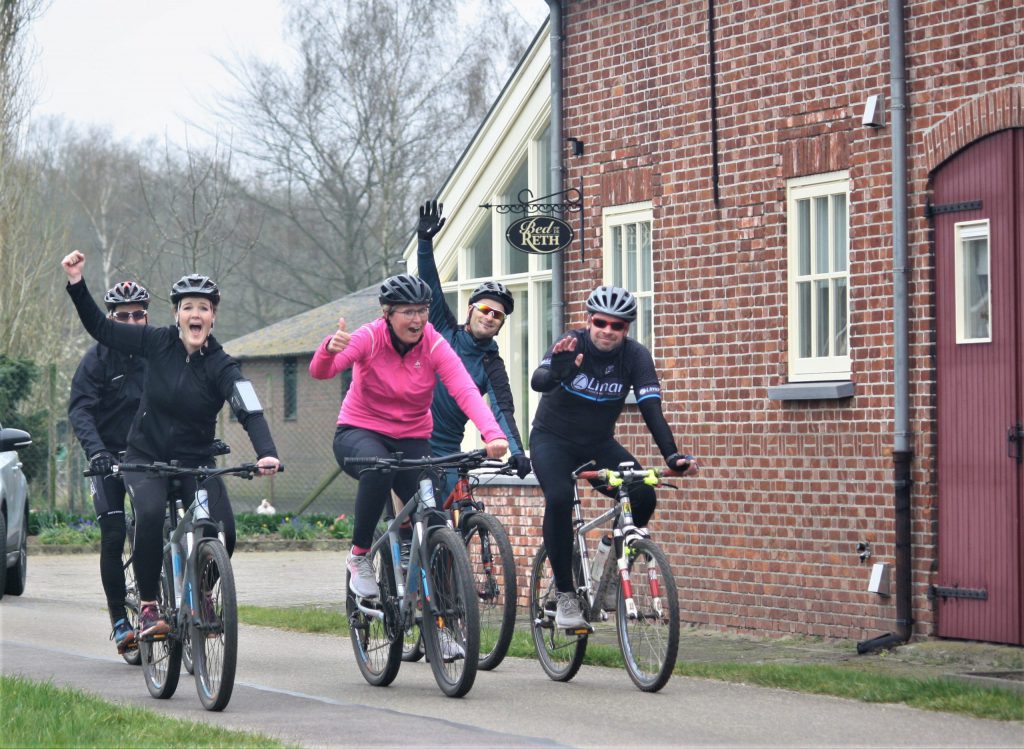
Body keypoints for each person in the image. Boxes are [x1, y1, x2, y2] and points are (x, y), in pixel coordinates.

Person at [61, 251, 281, 638]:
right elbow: (101, 327)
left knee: (223, 530)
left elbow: (249, 409)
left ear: (213, 317)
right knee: (147, 516)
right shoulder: (156, 343)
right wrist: (77, 283)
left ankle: (205, 594)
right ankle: (147, 608)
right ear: (177, 314)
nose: (196, 314)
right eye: (188, 307)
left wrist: (267, 451)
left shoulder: (222, 365)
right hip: (145, 458)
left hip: (196, 459)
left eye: (204, 308)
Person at [309, 273, 508, 635]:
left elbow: (464, 388)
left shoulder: (432, 343)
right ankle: (359, 557)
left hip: (414, 439)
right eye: (407, 312)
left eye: (422, 311)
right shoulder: (369, 337)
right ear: (387, 313)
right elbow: (322, 371)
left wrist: (492, 433)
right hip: (360, 432)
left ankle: (446, 630)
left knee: (435, 523)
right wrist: (329, 349)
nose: (417, 320)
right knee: (379, 469)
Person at [530, 284, 698, 629]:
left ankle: (606, 571)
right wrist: (559, 371)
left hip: (597, 444)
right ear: (589, 321)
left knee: (643, 495)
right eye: (600, 323)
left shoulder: (635, 357)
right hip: (552, 441)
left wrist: (671, 455)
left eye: (617, 326)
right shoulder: (571, 343)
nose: (607, 331)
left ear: (627, 329)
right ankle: (564, 595)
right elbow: (539, 382)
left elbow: (651, 408)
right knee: (559, 499)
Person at [414, 200, 531, 495]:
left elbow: (502, 410)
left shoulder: (492, 364)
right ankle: (401, 538)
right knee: (412, 514)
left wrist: (517, 452)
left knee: (454, 512)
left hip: (449, 450)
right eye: (484, 309)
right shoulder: (443, 329)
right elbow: (430, 283)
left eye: (497, 315)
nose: (489, 316)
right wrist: (424, 242)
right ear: (470, 309)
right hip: (412, 439)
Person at [68, 280, 150, 655]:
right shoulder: (97, 359)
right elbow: (80, 410)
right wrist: (97, 451)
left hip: (149, 455)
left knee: (161, 525)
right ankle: (120, 620)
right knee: (114, 533)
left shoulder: (158, 352)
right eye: (123, 316)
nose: (131, 321)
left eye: (138, 314)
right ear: (112, 319)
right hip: (109, 457)